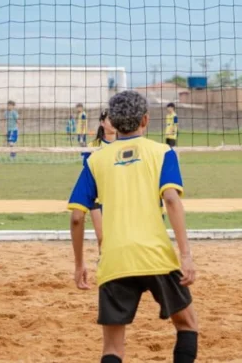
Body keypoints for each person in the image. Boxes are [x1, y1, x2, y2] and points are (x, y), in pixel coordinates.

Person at [68, 91, 198, 363]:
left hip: (114, 259)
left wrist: (79, 263)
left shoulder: (94, 160)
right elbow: (171, 199)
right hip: (156, 256)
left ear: (113, 122)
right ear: (145, 120)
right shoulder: (163, 152)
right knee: (187, 325)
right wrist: (186, 254)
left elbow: (77, 217)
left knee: (112, 349)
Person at [76, 110, 117, 248]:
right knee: (102, 238)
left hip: (118, 196)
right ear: (102, 123)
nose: (113, 122)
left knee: (118, 237)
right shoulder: (92, 146)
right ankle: (102, 260)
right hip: (98, 197)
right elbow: (87, 172)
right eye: (110, 119)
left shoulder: (123, 144)